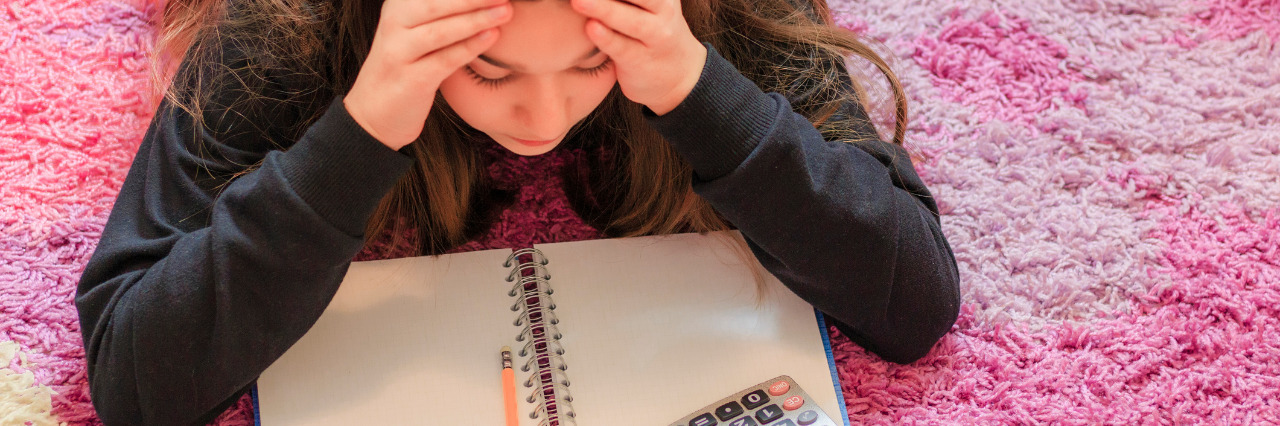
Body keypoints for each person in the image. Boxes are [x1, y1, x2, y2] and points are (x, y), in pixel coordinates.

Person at [75, 0, 961, 423]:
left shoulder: (725, 17)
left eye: (591, 64)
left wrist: (695, 86)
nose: (542, 119)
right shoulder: (281, 30)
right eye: (491, 73)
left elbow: (911, 300)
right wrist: (363, 127)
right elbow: (135, 382)